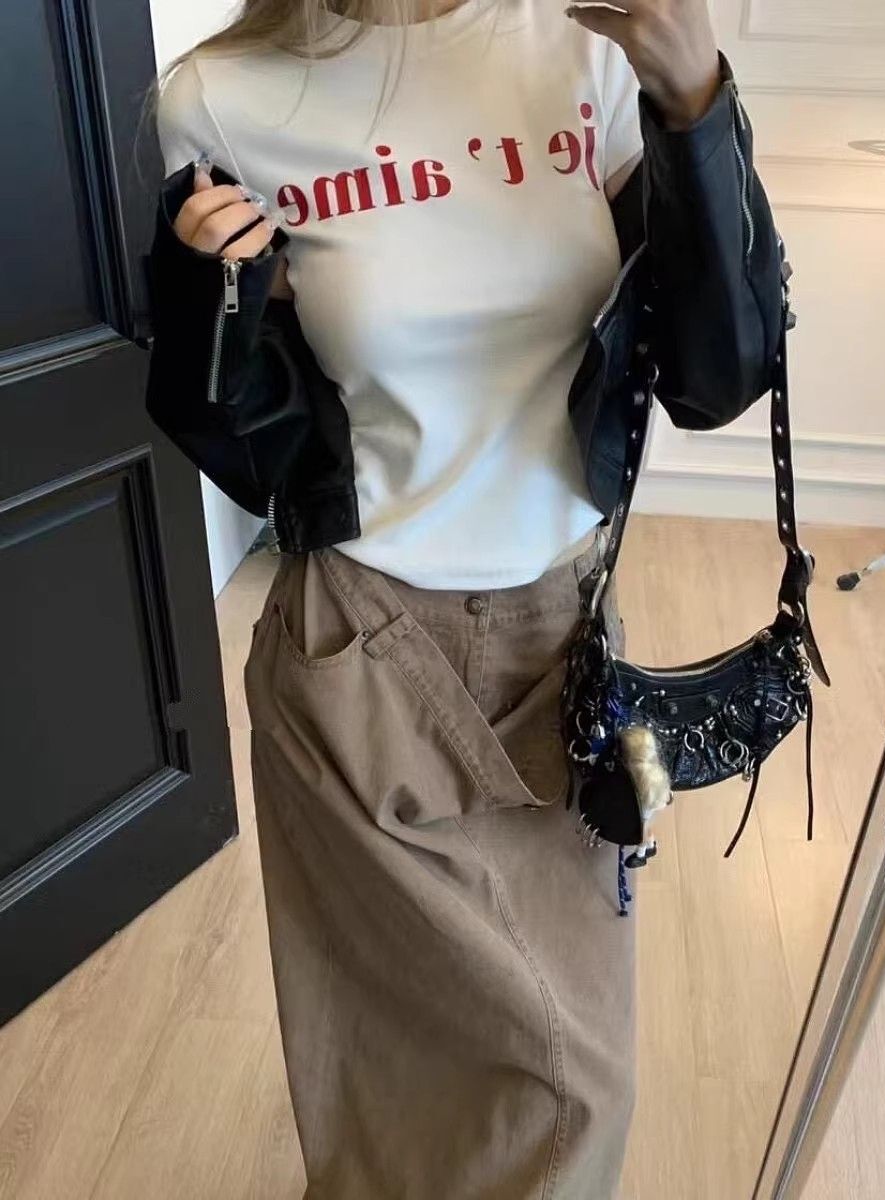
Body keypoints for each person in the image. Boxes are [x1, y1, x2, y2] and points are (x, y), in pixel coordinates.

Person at [145, 1, 783, 1195]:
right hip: (357, 652)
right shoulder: (220, 97)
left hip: (566, 644)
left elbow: (719, 376)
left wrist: (695, 99)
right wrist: (204, 294)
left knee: (576, 1081)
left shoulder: (586, 51)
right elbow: (235, 433)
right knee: (393, 1081)